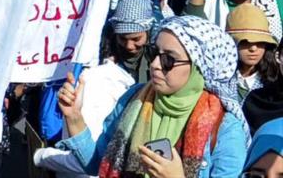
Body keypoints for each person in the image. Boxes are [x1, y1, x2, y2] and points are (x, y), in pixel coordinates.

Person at [56, 16, 248, 177]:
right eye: (153, 53)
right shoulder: (134, 98)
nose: (155, 64)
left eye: (168, 60)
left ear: (199, 67)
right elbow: (96, 162)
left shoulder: (224, 128)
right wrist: (74, 118)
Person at [225, 4, 279, 101]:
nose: (253, 49)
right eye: (245, 42)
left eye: (260, 42)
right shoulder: (219, 80)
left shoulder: (277, 81)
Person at [105, 0, 156, 83]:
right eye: (122, 38)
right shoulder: (106, 46)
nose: (129, 46)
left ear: (148, 32)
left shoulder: (158, 50)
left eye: (136, 39)